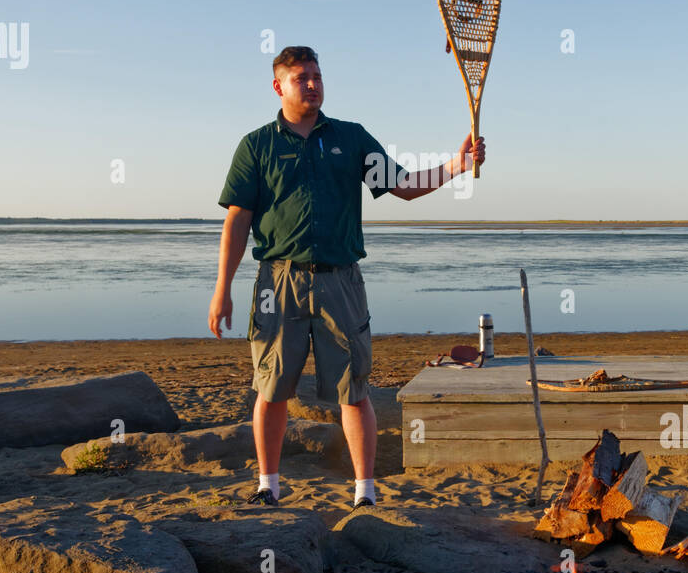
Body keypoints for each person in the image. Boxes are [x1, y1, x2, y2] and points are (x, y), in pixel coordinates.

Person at [208, 45, 486, 510]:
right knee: (271, 388)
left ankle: (364, 493)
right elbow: (237, 220)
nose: (312, 84)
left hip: (341, 280)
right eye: (301, 78)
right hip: (278, 281)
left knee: (353, 390)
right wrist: (222, 290)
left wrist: (455, 166)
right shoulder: (257, 145)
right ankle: (268, 485)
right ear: (279, 86)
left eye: (316, 75)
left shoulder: (351, 138)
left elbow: (402, 187)